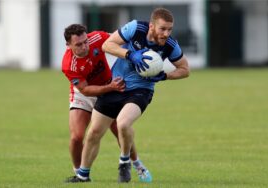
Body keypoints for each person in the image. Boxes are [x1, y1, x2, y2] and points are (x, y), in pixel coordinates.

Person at [70, 8, 190, 183]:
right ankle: (83, 175)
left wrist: (164, 75)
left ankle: (124, 162)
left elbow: (185, 70)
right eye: (162, 29)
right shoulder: (135, 29)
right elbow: (107, 45)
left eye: (169, 29)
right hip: (116, 85)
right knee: (94, 132)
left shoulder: (170, 45)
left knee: (123, 123)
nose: (166, 33)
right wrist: (130, 54)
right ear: (151, 26)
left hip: (141, 90)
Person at [61, 24, 152, 183]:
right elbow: (86, 90)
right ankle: (79, 173)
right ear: (68, 45)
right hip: (84, 93)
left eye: (85, 41)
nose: (84, 46)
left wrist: (138, 55)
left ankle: (138, 165)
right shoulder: (69, 64)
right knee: (76, 137)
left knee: (121, 129)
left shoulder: (96, 37)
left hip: (110, 88)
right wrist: (109, 87)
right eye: (78, 44)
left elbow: (119, 40)